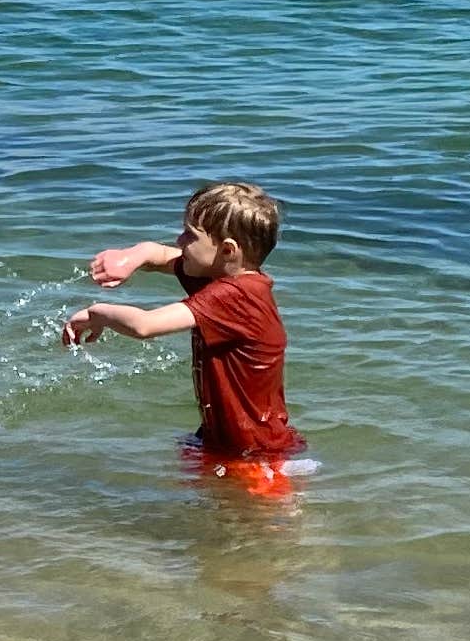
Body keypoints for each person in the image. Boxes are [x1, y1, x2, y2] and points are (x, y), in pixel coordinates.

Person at [59, 180, 308, 477]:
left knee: (247, 509)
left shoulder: (237, 296)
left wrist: (97, 313)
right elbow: (161, 256)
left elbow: (145, 326)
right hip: (224, 441)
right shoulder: (218, 276)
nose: (179, 240)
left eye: (190, 235)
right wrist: (134, 256)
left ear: (227, 250)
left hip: (257, 455)